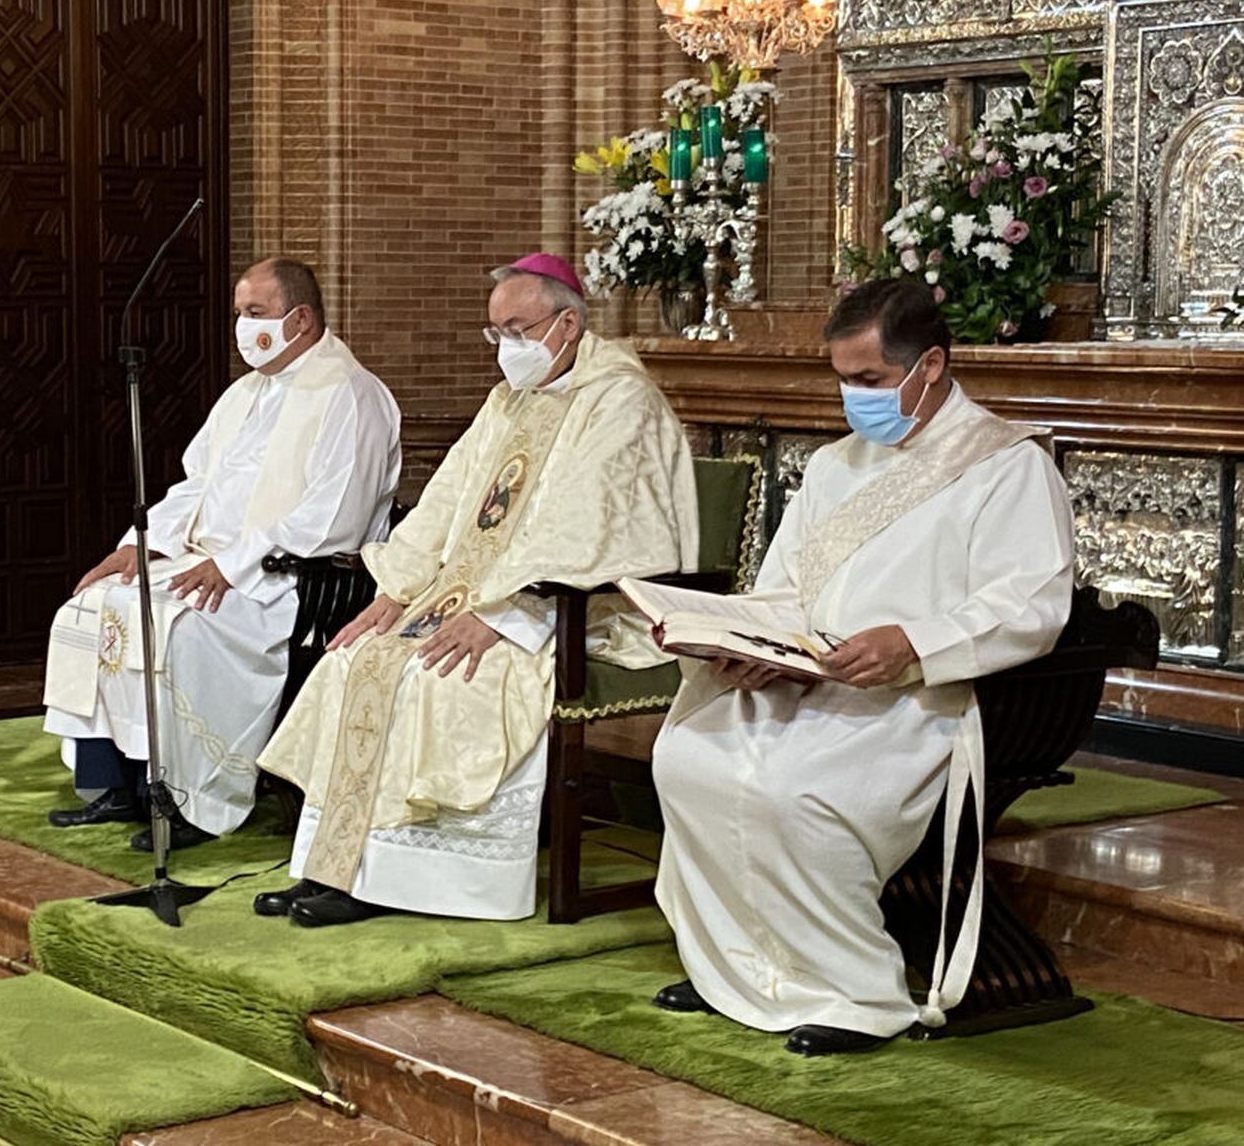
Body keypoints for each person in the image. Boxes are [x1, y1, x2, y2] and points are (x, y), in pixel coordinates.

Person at [650, 278, 1075, 1057]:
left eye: (870, 379)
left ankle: (853, 994)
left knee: (792, 790)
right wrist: (754, 646)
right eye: (844, 379)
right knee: (687, 756)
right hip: (809, 682)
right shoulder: (834, 466)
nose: (854, 397)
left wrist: (914, 644)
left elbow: (1031, 604)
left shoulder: (1006, 466)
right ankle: (734, 969)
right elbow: (783, 587)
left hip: (921, 699)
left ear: (931, 365)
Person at [253, 253, 699, 927]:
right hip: (467, 599)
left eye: (518, 330)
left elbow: (591, 527)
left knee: (441, 678)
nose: (506, 347)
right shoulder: (509, 401)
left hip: (568, 610)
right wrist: (395, 591)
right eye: (497, 332)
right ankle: (334, 865)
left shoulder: (619, 399)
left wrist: (505, 618)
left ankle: (406, 881)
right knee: (357, 658)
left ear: (568, 324)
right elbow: (447, 497)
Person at [42, 257, 401, 851]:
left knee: (180, 629)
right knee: (94, 605)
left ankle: (191, 798)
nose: (242, 327)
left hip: (288, 578)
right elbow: (196, 485)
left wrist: (233, 565)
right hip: (206, 561)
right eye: (239, 313)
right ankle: (120, 784)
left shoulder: (351, 395)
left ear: (301, 319)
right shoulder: (244, 393)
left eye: (255, 313)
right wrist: (140, 545)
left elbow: (335, 515)